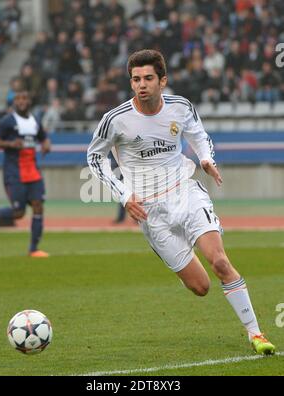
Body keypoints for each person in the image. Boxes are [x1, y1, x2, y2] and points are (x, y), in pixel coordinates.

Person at [87, 49, 275, 355]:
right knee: (200, 287)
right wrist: (123, 194)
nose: (141, 85)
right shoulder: (115, 120)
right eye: (135, 79)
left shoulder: (180, 107)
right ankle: (180, 255)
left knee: (220, 261)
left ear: (163, 80)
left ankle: (256, 333)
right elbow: (94, 158)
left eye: (148, 78)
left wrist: (205, 159)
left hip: (185, 193)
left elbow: (199, 134)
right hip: (150, 213)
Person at [0, 91, 51, 258]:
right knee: (18, 213)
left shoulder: (35, 120)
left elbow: (43, 137)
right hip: (14, 173)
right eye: (18, 99)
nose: (22, 101)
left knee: (38, 206)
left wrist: (46, 144)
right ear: (14, 102)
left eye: (25, 98)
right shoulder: (8, 121)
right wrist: (11, 143)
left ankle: (33, 249)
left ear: (29, 101)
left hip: (33, 172)